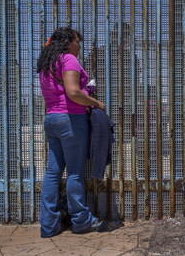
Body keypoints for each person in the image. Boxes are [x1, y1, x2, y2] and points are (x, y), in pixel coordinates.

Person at [37, 27, 114, 237]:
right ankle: (81, 220)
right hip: (70, 119)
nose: (79, 46)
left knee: (53, 173)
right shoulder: (69, 59)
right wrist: (95, 102)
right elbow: (73, 92)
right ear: (67, 42)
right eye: (77, 41)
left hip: (52, 119)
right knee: (75, 173)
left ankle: (49, 225)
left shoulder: (47, 63)